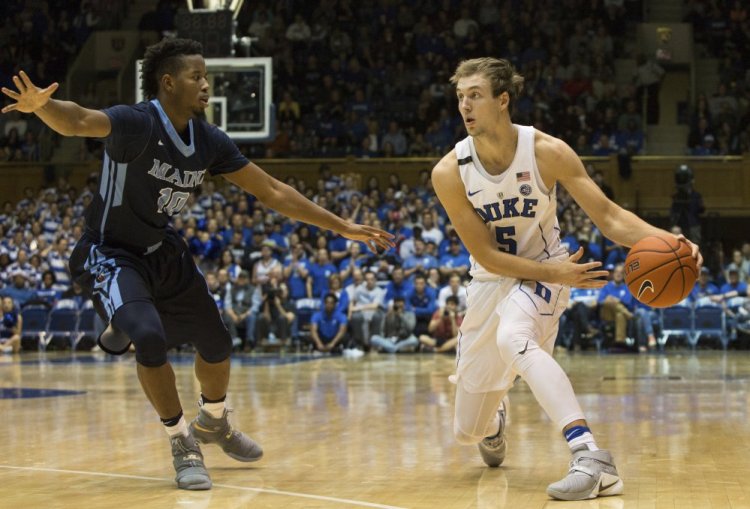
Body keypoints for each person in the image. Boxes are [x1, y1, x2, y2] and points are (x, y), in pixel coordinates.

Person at [1, 38, 393, 491]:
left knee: (217, 341)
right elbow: (77, 121)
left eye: (207, 77)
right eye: (197, 77)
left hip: (162, 250)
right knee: (149, 338)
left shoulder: (208, 140)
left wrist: (340, 225)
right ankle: (181, 440)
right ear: (168, 83)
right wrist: (40, 108)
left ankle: (214, 420)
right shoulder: (137, 122)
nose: (206, 85)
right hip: (110, 252)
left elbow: (272, 191)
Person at [430, 57, 702, 501]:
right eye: (460, 97)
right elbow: (486, 255)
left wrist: (672, 242)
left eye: (475, 95)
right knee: (467, 430)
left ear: (503, 100)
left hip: (545, 272)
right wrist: (554, 272)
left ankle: (591, 458)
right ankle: (494, 418)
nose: (465, 106)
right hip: (496, 278)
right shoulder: (449, 172)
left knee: (513, 337)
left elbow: (610, 218)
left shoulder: (546, 152)